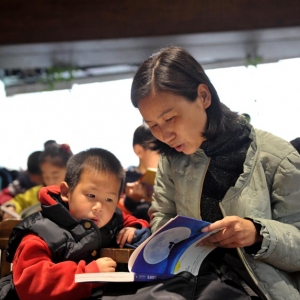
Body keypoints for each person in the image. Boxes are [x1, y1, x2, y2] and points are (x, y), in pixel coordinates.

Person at [130, 46, 300, 300]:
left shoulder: (277, 157)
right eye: (153, 125)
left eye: (171, 118)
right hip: (191, 283)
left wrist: (256, 233)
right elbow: (162, 217)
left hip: (256, 289)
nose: (165, 135)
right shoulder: (171, 160)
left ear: (203, 96)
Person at [5, 148, 150, 300]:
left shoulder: (112, 218)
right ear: (66, 192)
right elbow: (30, 284)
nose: (99, 207)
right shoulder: (41, 231)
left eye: (109, 199)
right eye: (91, 195)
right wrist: (88, 274)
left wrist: (133, 228)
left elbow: (131, 220)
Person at [1, 143, 73, 220]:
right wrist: (11, 207)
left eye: (55, 175)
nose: (50, 181)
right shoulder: (38, 192)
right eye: (45, 176)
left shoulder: (76, 193)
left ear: (69, 170)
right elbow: (19, 201)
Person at [121, 124, 160, 221]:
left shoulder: (169, 179)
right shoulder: (123, 179)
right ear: (139, 151)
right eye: (158, 151)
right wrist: (131, 201)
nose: (164, 157)